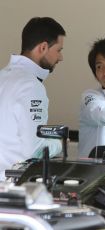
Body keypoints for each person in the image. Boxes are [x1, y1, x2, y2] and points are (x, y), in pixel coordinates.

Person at [0, 17, 66, 181]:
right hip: (9, 188)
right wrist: (59, 143)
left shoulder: (2, 76)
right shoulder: (31, 86)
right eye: (58, 50)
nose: (61, 57)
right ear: (43, 47)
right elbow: (33, 150)